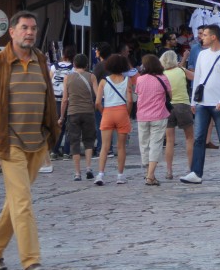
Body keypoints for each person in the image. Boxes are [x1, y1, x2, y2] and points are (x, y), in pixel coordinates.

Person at [0, 10, 58, 270]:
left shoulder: (41, 60)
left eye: (33, 28)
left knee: (16, 202)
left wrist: (52, 133)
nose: (30, 32)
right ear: (12, 32)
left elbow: (48, 99)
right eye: (24, 28)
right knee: (22, 202)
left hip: (37, 142)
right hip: (9, 143)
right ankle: (31, 260)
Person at [180, 24, 220, 184]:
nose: (201, 37)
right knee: (199, 138)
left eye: (205, 35)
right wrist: (193, 100)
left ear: (213, 37)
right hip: (202, 102)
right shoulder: (202, 55)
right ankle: (196, 172)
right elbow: (198, 78)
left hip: (219, 103)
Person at [93, 54, 134, 185]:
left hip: (108, 112)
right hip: (122, 111)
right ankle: (120, 176)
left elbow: (98, 102)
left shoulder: (104, 81)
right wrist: (126, 113)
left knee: (104, 146)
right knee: (121, 147)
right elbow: (130, 100)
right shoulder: (127, 80)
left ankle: (100, 174)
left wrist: (103, 112)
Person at [134, 54, 171, 186]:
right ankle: (150, 175)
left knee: (144, 144)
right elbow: (169, 95)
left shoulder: (140, 79)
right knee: (156, 144)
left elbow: (138, 93)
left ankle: (149, 174)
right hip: (159, 115)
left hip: (142, 115)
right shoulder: (163, 78)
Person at [60, 54, 97, 181]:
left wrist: (61, 116)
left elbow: (65, 99)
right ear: (87, 65)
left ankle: (77, 173)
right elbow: (97, 96)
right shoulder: (91, 77)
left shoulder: (67, 78)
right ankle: (88, 168)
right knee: (88, 140)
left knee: (74, 142)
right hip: (88, 112)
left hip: (73, 112)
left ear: (74, 65)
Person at [161, 50, 194, 180]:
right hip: (183, 104)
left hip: (168, 106)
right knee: (189, 138)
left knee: (169, 140)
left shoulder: (162, 74)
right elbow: (195, 76)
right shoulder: (181, 70)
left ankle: (169, 170)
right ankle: (190, 167)